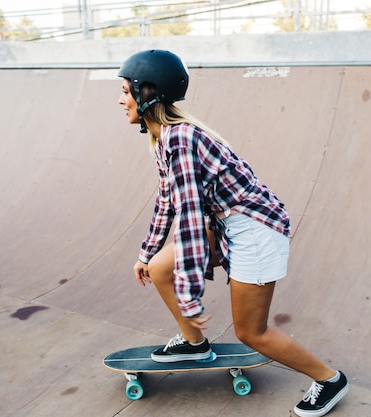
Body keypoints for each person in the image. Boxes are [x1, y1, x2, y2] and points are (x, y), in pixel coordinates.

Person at [117, 49, 348, 417]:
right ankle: (194, 344)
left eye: (127, 90)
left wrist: (191, 296)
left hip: (255, 229)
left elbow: (190, 217)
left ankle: (330, 379)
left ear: (149, 94)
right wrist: (147, 252)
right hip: (226, 223)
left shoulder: (181, 140)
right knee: (160, 267)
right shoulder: (164, 141)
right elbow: (167, 200)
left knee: (251, 333)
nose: (121, 98)